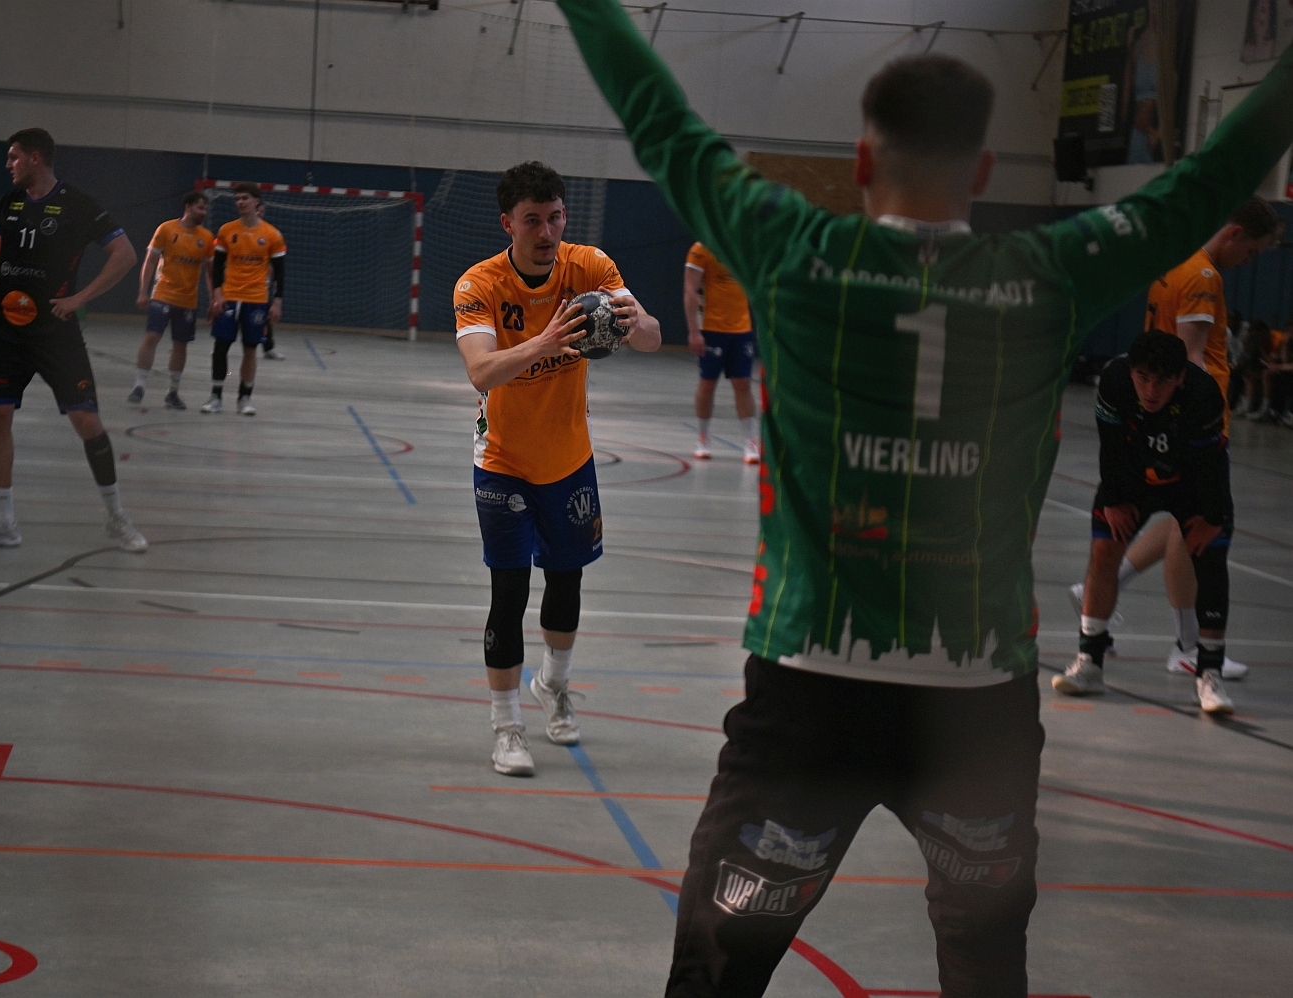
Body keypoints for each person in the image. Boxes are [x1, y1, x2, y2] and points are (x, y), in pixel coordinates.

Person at [554, 1, 1293, 994]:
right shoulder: (1050, 274)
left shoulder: (788, 246)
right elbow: (1209, 176)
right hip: (977, 707)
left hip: (811, 693)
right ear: (983, 173)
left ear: (863, 161)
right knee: (985, 969)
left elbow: (662, 121)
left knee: (716, 973)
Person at [453, 160, 661, 777]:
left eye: (555, 218)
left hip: (569, 458)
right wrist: (546, 341)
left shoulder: (589, 267)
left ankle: (555, 685)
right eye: (532, 221)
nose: (546, 232)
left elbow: (651, 338)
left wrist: (636, 323)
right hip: (503, 461)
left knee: (567, 583)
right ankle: (506, 726)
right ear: (508, 224)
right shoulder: (479, 284)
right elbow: (481, 372)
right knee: (509, 591)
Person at [1070, 198, 1278, 680]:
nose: (1249, 262)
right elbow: (1191, 356)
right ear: (1234, 232)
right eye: (1251, 251)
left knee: (1175, 525)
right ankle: (1187, 645)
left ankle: (1114, 590)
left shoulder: (1176, 260)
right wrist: (1194, 421)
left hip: (1157, 414)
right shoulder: (1203, 276)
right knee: (1193, 527)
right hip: (1184, 421)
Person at [0, 128, 146, 553]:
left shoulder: (78, 204)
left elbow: (125, 255)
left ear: (36, 158)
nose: (8, 164)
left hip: (55, 334)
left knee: (87, 422)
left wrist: (79, 299)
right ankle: (4, 523)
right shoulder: (7, 203)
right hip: (7, 330)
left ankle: (117, 518)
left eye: (13, 157)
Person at [1053, 333, 1235, 714]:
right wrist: (1114, 500)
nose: (1150, 390)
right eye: (1143, 377)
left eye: (1162, 381)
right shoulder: (1115, 381)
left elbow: (1211, 467)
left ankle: (1209, 673)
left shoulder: (1203, 395)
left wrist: (1212, 519)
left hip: (1192, 482)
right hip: (1134, 479)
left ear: (1180, 377)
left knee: (1210, 560)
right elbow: (1110, 445)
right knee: (1104, 551)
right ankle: (1089, 661)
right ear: (1131, 372)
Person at [203, 182, 284, 416]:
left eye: (245, 198)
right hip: (229, 297)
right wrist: (217, 294)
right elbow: (217, 267)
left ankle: (244, 398)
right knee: (221, 346)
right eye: (237, 199)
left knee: (250, 349)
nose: (240, 202)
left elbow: (280, 273)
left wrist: (277, 301)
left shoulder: (272, 234)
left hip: (256, 299)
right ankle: (215, 397)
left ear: (256, 202)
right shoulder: (226, 230)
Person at [131, 190, 215, 410]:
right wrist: (143, 291)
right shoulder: (166, 229)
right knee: (152, 336)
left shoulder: (207, 237)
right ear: (187, 207)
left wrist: (214, 300)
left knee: (180, 345)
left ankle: (173, 391)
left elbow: (210, 273)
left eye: (206, 209)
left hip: (187, 300)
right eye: (200, 207)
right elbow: (150, 260)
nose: (204, 212)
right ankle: (139, 385)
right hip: (163, 294)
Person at [684, 240, 759, 462]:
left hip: (741, 329)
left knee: (743, 383)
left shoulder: (741, 244)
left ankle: (750, 442)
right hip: (712, 329)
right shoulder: (701, 249)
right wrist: (694, 331)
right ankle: (703, 439)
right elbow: (690, 290)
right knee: (707, 383)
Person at [256, 200, 287, 361]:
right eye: (258, 211)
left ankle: (268, 348)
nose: (260, 214)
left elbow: (277, 261)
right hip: (238, 285)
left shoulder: (270, 234)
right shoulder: (236, 231)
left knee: (265, 316)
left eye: (262, 212)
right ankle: (221, 346)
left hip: (261, 285)